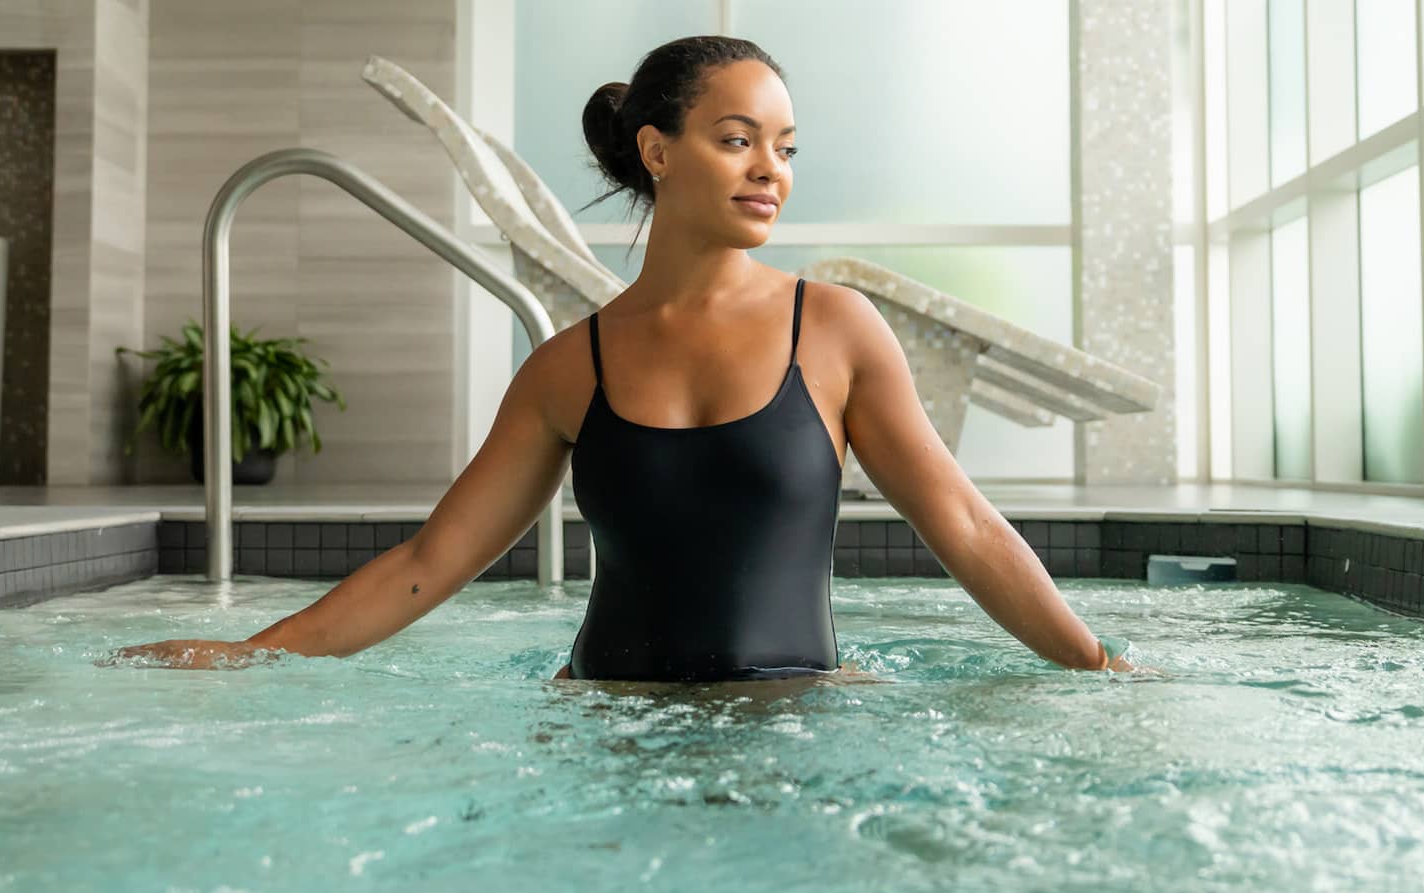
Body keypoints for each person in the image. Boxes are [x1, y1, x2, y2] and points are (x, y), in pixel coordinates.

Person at [108, 37, 1132, 678]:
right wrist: (250, 653)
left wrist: (1096, 660)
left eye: (784, 144)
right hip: (605, 726)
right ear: (656, 149)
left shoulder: (834, 329)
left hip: (796, 728)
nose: (770, 168)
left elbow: (961, 521)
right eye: (738, 139)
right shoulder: (567, 368)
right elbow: (428, 565)